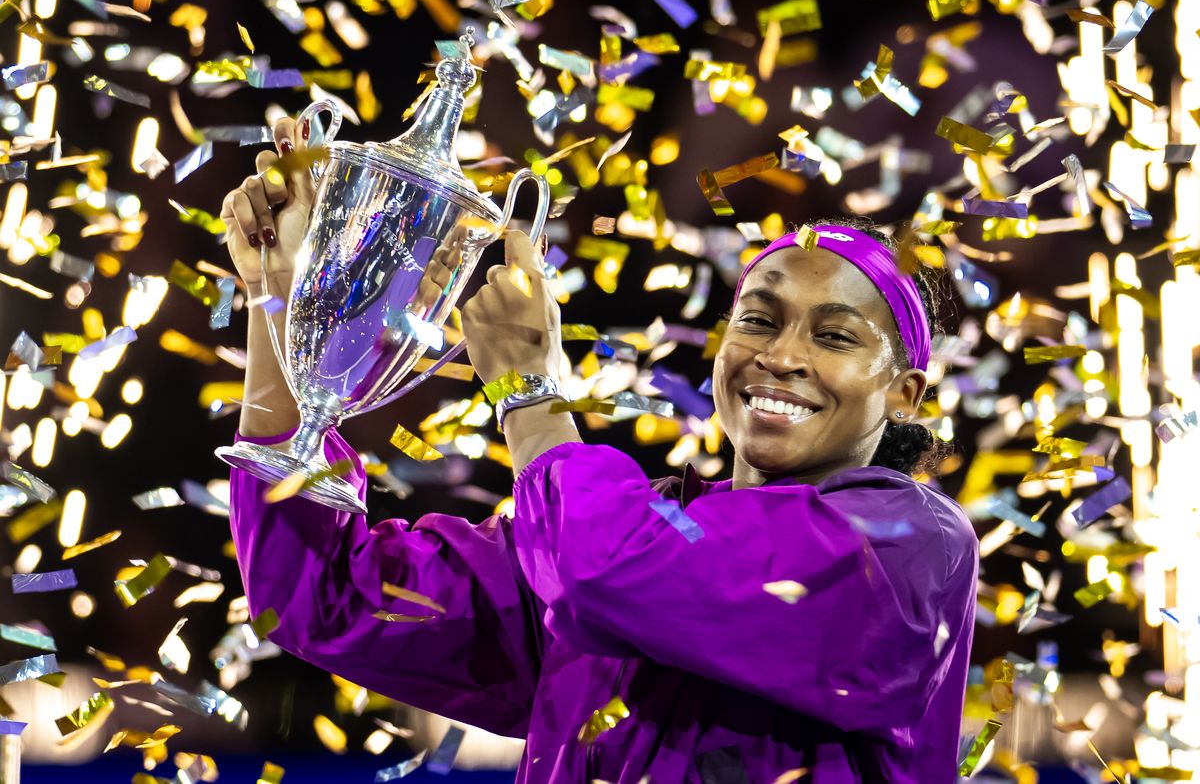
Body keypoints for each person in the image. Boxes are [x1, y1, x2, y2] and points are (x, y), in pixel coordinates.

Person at [220, 116, 979, 783]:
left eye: (834, 336)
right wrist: (282, 302)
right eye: (757, 320)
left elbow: (607, 573)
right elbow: (319, 598)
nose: (781, 355)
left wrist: (530, 396)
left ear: (905, 394)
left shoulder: (911, 546)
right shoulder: (608, 529)